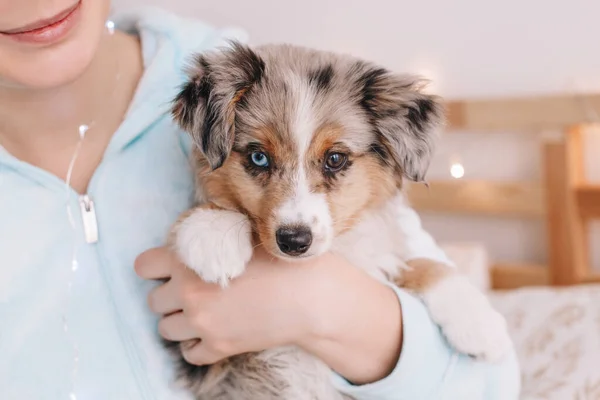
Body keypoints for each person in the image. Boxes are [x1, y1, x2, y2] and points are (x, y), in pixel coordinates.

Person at [0, 1, 520, 399]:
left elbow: (490, 380)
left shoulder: (254, 68)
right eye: (260, 161)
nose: (294, 208)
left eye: (334, 162)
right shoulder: (224, 97)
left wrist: (329, 307)